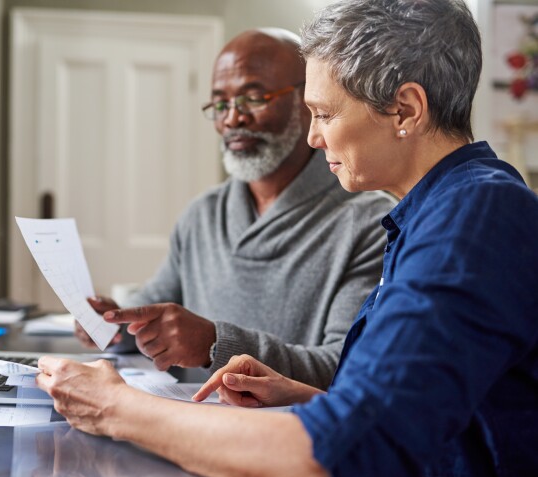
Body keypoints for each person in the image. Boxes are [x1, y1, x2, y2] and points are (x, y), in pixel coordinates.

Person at [37, 0, 538, 477]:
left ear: (405, 109)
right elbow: (417, 410)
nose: (315, 137)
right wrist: (305, 395)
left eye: (322, 113)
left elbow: (345, 455)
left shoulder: (472, 218)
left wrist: (116, 407)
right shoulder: (434, 213)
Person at [76, 28, 394, 389]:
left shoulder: (370, 223)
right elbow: (153, 314)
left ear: (308, 102)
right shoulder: (203, 215)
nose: (232, 119)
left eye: (253, 98)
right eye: (221, 104)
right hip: (185, 422)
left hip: (285, 436)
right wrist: (114, 323)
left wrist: (215, 344)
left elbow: (345, 364)